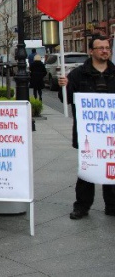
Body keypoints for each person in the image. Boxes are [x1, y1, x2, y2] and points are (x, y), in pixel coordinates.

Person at [58, 35, 115, 219]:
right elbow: (65, 100)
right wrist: (64, 87)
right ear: (91, 51)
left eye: (107, 47)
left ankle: (112, 205)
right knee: (87, 169)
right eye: (101, 48)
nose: (105, 51)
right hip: (87, 134)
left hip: (110, 133)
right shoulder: (77, 74)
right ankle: (82, 206)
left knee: (110, 168)